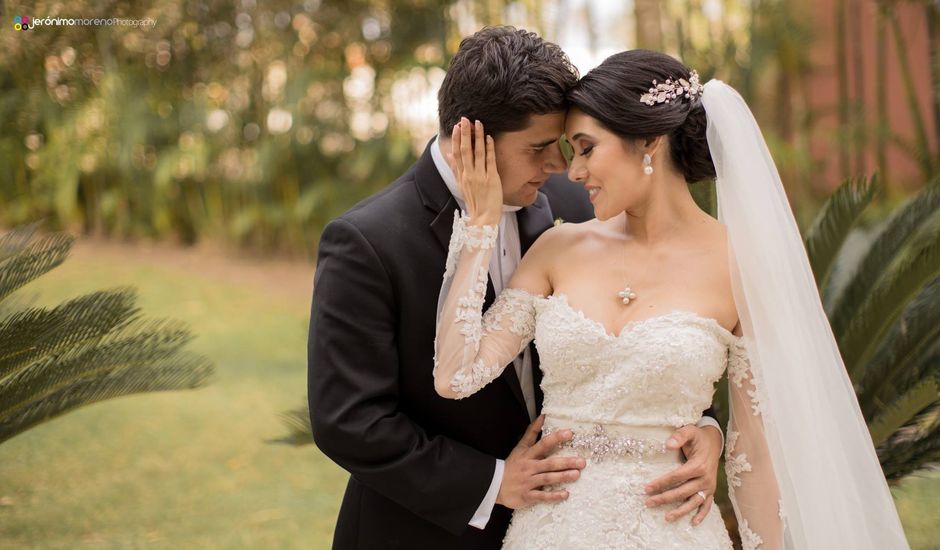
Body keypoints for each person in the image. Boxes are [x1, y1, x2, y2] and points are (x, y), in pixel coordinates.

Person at [434, 49, 909, 549]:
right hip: (551, 533)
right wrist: (480, 228)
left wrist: (716, 441)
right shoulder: (558, 246)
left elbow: (757, 457)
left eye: (586, 148)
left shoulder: (740, 267)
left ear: (650, 142)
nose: (572, 172)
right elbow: (456, 376)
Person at [308, 29, 725, 549]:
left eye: (567, 148)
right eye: (540, 149)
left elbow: (646, 351)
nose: (560, 168)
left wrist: (705, 431)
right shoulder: (368, 241)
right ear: (473, 138)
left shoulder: (575, 214)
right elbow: (349, 422)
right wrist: (492, 482)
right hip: (426, 531)